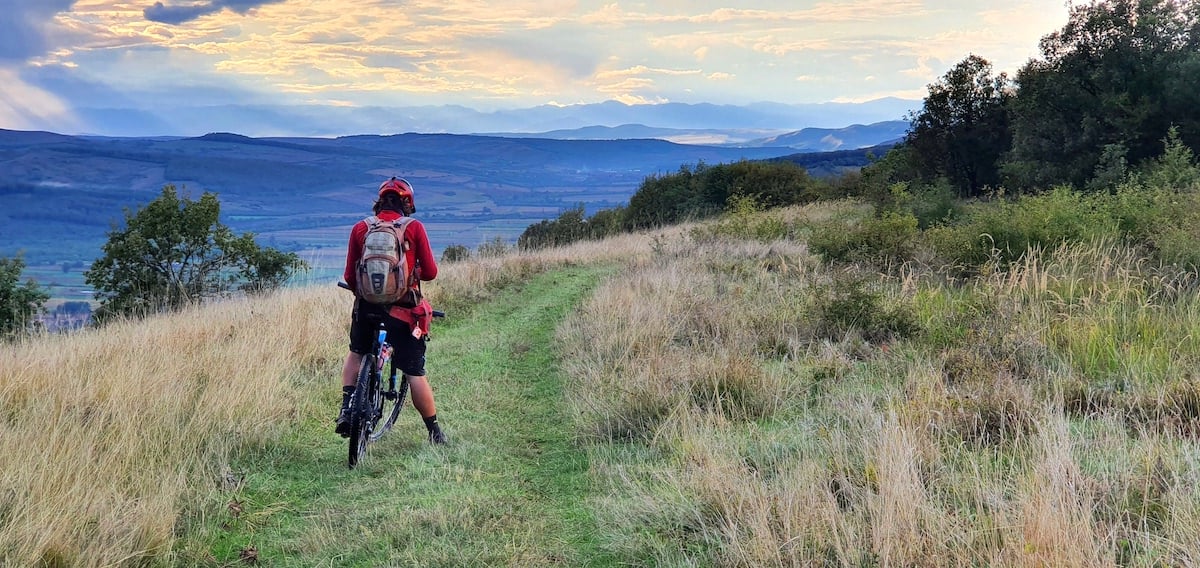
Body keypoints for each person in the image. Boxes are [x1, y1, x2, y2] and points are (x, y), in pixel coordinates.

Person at [336, 177, 446, 445]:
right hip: (404, 313)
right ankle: (434, 433)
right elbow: (430, 273)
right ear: (407, 204)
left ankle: (347, 406)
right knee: (414, 373)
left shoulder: (361, 228)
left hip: (366, 309)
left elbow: (350, 276)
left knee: (357, 352)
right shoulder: (414, 227)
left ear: (379, 201)